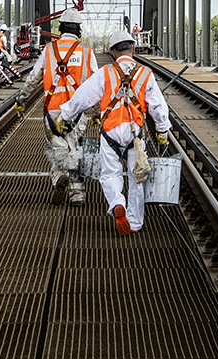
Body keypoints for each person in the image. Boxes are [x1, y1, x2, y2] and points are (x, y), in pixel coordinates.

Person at [56, 28, 173, 236]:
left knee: (110, 174)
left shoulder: (105, 73)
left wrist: (64, 115)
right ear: (133, 49)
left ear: (112, 52)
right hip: (135, 132)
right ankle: (135, 223)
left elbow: (82, 97)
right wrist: (162, 129)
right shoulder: (146, 74)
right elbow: (157, 106)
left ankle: (117, 203)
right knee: (137, 177)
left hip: (110, 131)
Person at [29, 16, 94, 204]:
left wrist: (22, 99)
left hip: (53, 110)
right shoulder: (86, 51)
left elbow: (34, 78)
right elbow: (98, 84)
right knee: (75, 149)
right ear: (78, 29)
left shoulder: (49, 50)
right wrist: (98, 111)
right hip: (77, 111)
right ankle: (77, 194)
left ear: (61, 27)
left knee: (57, 147)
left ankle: (58, 177)